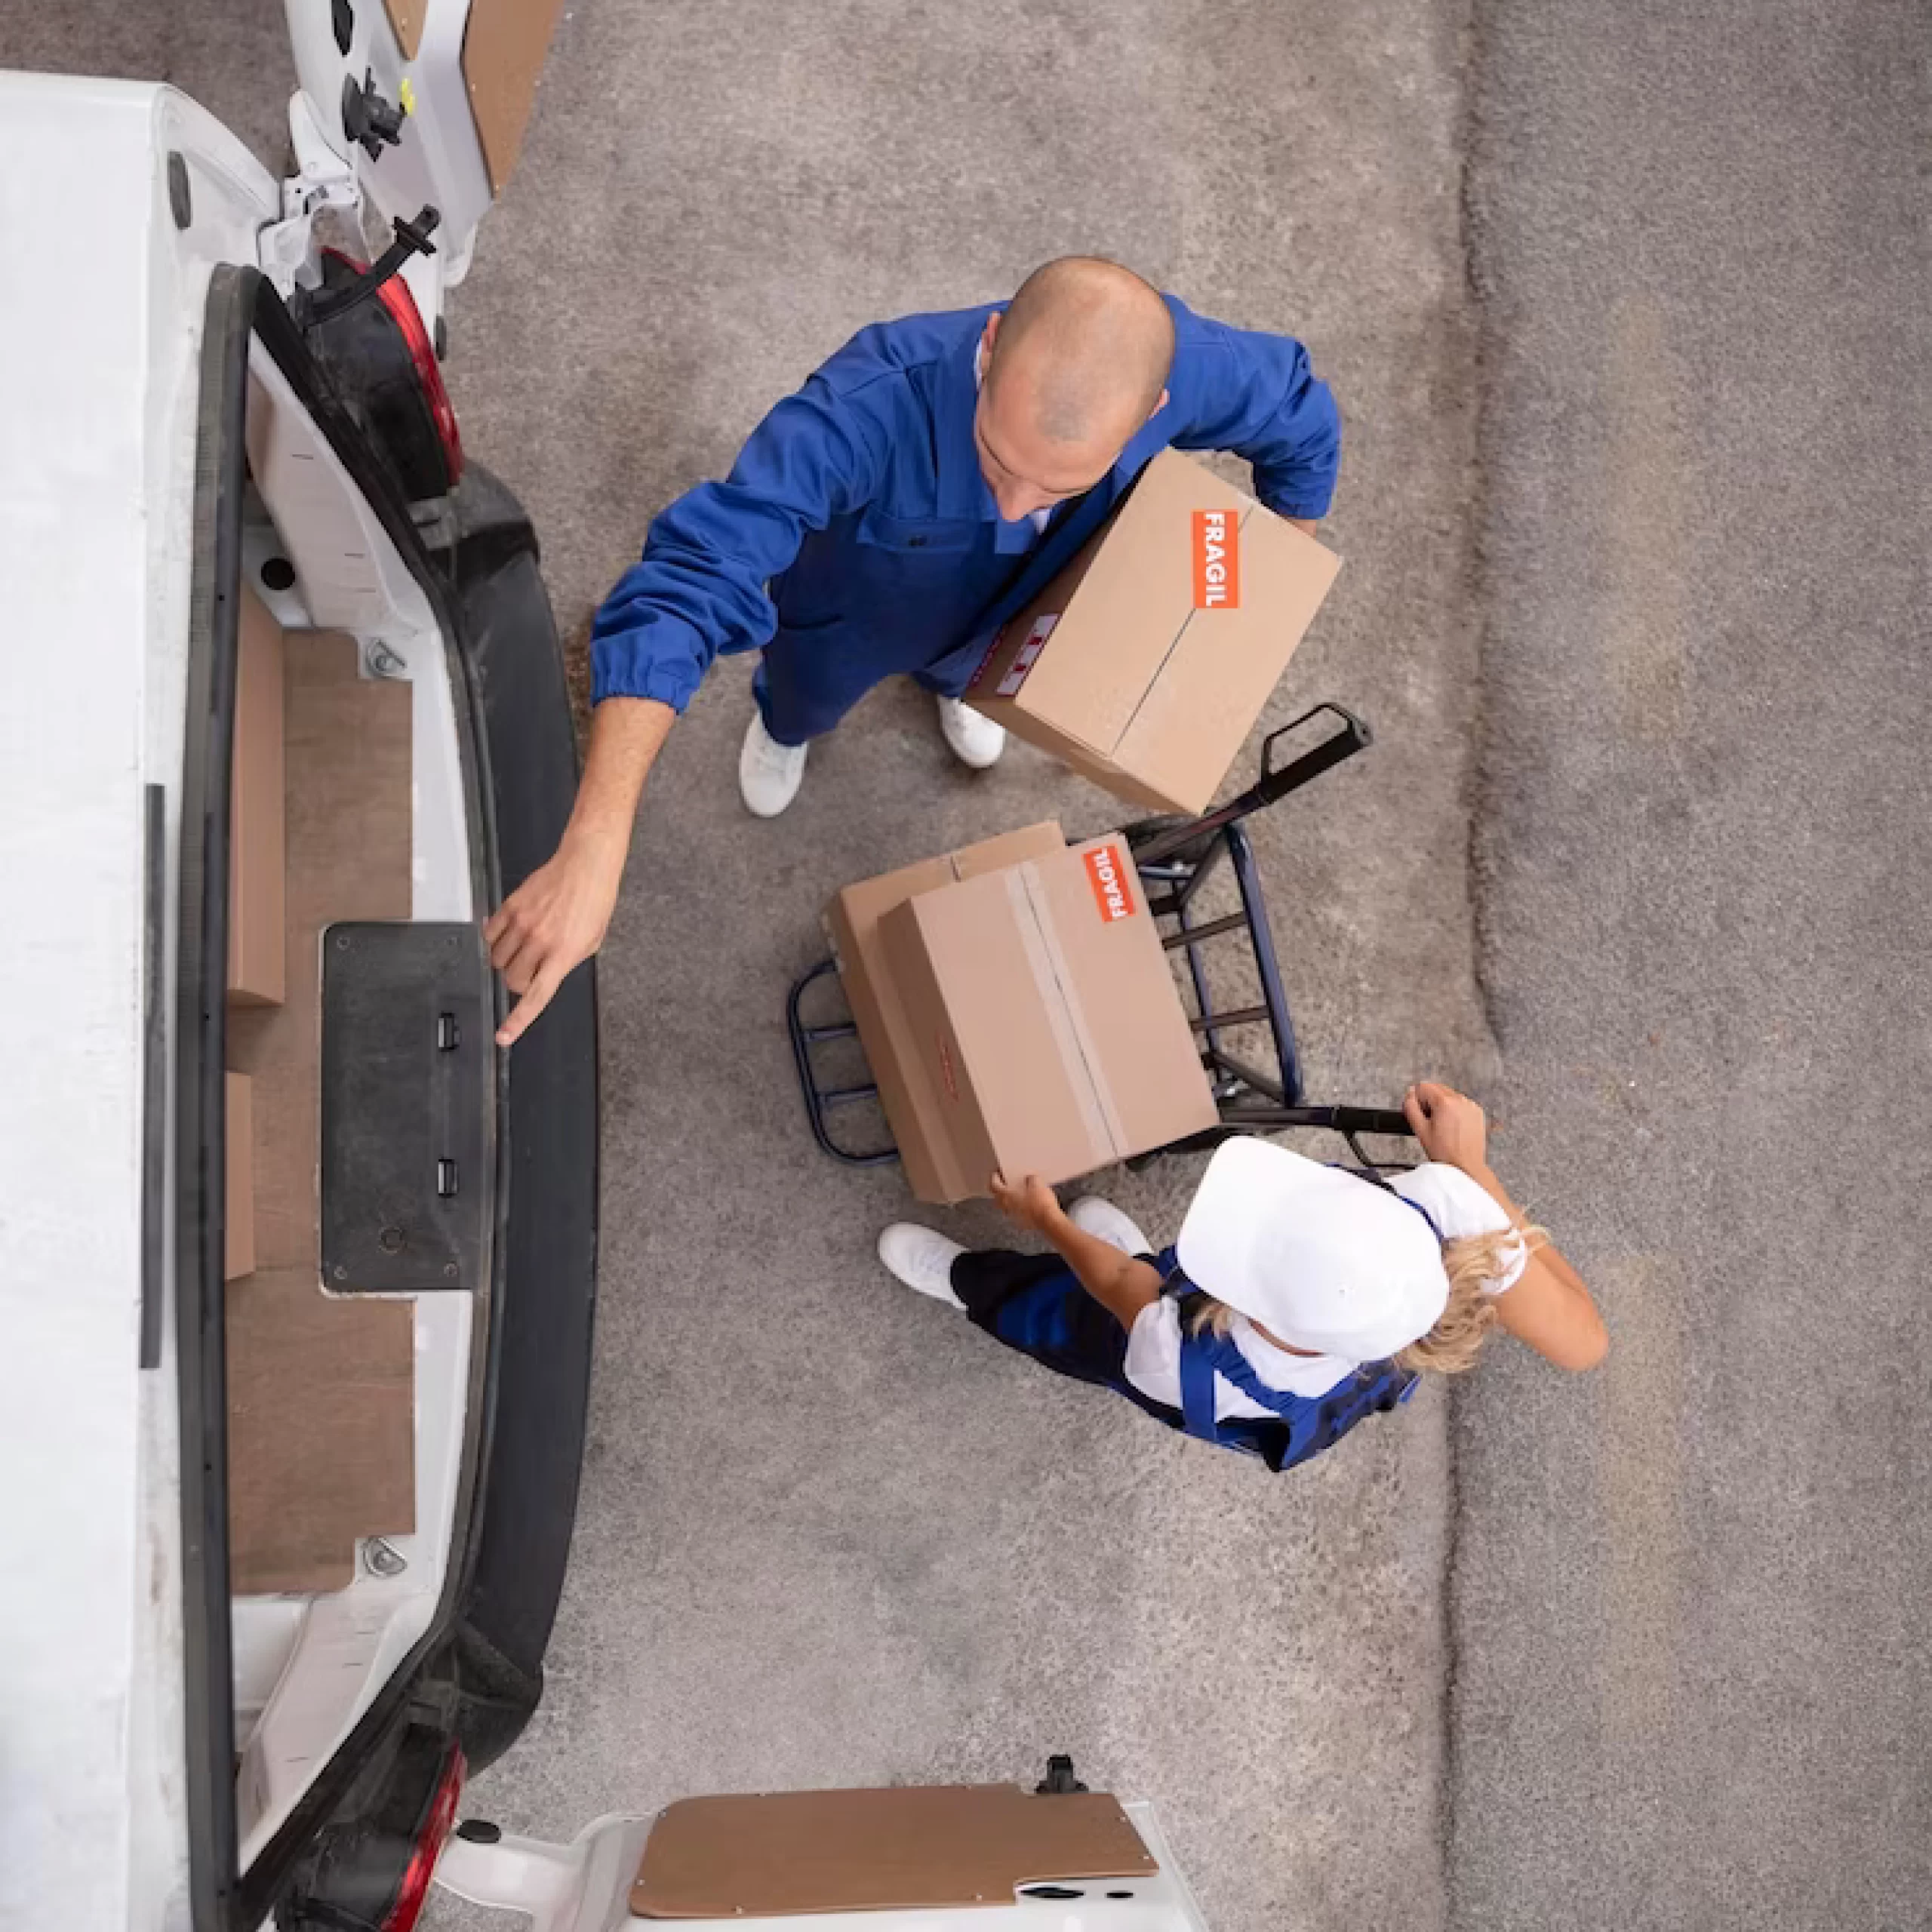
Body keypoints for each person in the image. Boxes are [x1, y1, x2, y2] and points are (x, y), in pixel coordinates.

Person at [484, 256, 1342, 1044]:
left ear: (1154, 411)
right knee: (805, 694)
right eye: (996, 458)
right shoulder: (863, 405)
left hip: (1017, 618)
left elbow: (1299, 416)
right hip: (850, 616)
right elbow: (696, 574)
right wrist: (596, 838)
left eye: (1059, 483)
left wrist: (1259, 584)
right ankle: (784, 727)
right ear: (991, 344)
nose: (1015, 505)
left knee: (981, 673)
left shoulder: (1187, 366)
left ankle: (960, 687)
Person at [875, 1082, 1607, 1472]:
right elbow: (1584, 1343)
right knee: (1142, 1283)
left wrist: (1042, 1218)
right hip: (1190, 1319)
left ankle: (971, 1283)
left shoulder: (1176, 1361)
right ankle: (1131, 1266)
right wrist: (1469, 1170)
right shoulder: (1447, 1212)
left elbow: (1118, 1285)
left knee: (1069, 1314)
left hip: (1151, 1327)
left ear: (1249, 1306)